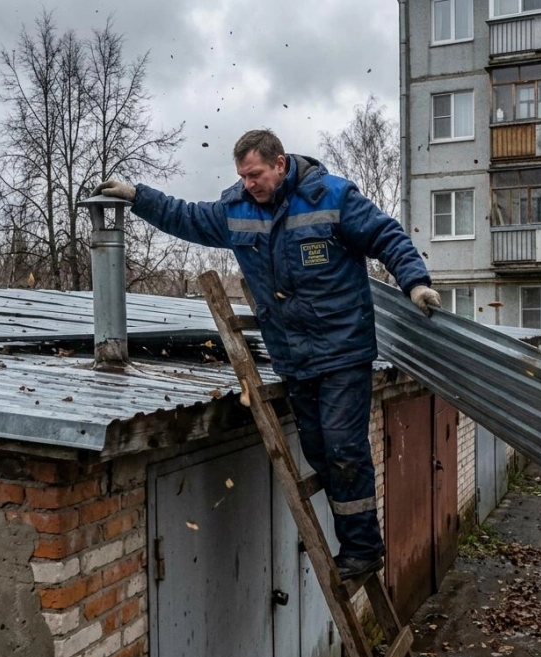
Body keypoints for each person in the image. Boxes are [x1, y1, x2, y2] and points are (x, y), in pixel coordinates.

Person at [94, 129, 441, 580]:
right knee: (319, 449)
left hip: (343, 349)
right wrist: (138, 197)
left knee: (344, 447)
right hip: (292, 355)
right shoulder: (236, 209)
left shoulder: (332, 197)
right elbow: (187, 217)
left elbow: (386, 236)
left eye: (255, 174)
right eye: (242, 176)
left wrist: (415, 281)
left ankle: (362, 547)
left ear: (279, 163)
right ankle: (355, 540)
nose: (249, 184)